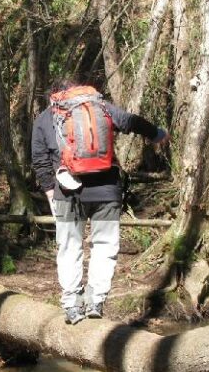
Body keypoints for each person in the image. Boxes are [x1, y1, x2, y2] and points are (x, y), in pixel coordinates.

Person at [31, 79, 169, 325]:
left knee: (70, 247)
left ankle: (72, 304)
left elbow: (39, 159)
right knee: (104, 245)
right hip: (107, 190)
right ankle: (95, 301)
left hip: (68, 192)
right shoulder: (101, 107)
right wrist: (157, 134)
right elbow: (130, 121)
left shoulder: (46, 117)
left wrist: (50, 192)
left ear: (54, 95)